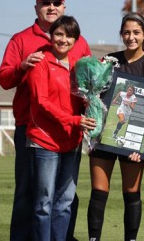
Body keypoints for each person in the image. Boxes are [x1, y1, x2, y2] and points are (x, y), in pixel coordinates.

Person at [0, 0, 90, 241]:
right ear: (36, 7)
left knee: (65, 197)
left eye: (56, 3)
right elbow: (4, 80)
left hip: (70, 130)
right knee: (30, 195)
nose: (51, 7)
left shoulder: (80, 41)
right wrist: (22, 66)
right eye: (45, 3)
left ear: (64, 7)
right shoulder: (21, 39)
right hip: (33, 127)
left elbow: (89, 86)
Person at [87, 12, 144, 241]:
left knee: (131, 193)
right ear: (121, 34)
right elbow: (95, 97)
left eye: (136, 32)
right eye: (127, 32)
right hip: (104, 137)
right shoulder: (109, 60)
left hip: (134, 142)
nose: (131, 37)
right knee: (99, 192)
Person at [27, 15, 96, 241]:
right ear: (51, 35)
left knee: (65, 202)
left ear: (76, 40)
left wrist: (93, 105)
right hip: (44, 140)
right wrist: (75, 120)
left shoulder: (80, 66)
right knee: (44, 203)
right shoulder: (41, 62)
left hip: (71, 141)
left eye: (69, 36)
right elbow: (41, 102)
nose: (63, 39)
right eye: (58, 34)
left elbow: (85, 99)